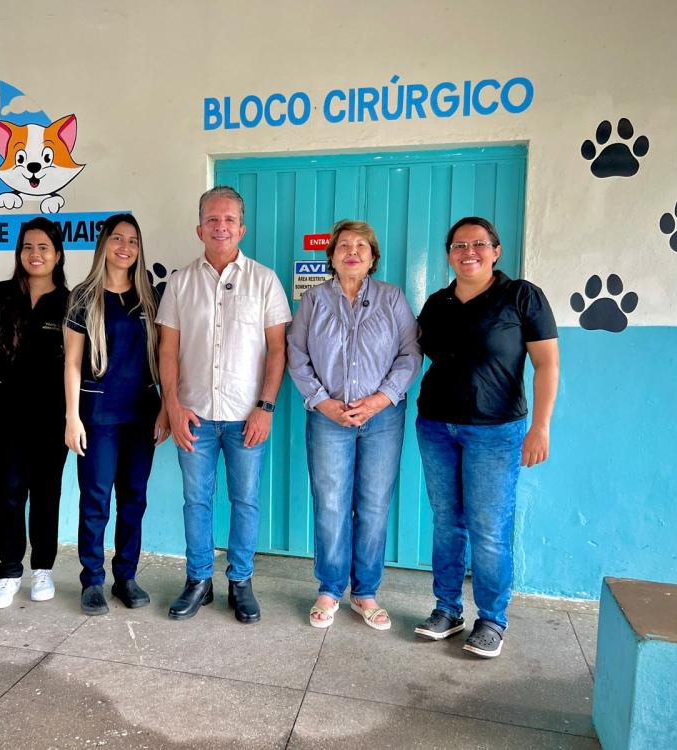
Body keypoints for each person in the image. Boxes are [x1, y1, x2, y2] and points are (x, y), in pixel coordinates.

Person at [413, 216, 559, 658]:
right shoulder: (437, 304)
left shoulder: (521, 296)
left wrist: (541, 426)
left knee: (488, 528)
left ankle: (493, 620)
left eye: (478, 243)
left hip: (495, 432)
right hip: (436, 426)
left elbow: (547, 364)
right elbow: (410, 353)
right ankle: (447, 610)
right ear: (449, 255)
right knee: (446, 522)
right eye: (459, 245)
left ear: (496, 251)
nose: (468, 252)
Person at [157, 186, 292, 624]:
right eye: (212, 220)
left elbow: (278, 350)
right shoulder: (180, 283)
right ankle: (199, 580)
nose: (221, 227)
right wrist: (173, 406)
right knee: (196, 501)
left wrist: (265, 407)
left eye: (229, 219)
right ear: (199, 229)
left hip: (246, 418)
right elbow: (167, 350)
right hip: (194, 415)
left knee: (245, 501)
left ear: (242, 228)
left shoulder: (264, 280)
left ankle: (240, 582)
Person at [287, 220, 421, 631]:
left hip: (382, 419)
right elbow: (296, 355)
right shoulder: (314, 300)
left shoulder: (391, 297)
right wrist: (323, 403)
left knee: (374, 505)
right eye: (344, 245)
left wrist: (380, 400)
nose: (352, 251)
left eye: (361, 245)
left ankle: (365, 593)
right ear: (331, 256)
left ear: (373, 257)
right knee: (331, 504)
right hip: (328, 418)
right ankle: (330, 589)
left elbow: (410, 354)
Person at [64, 213, 169, 616]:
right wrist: (72, 417)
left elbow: (165, 357)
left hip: (141, 412)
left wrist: (164, 407)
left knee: (134, 498)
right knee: (95, 499)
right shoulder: (84, 296)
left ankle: (126, 575)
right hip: (97, 414)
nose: (126, 247)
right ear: (103, 244)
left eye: (133, 241)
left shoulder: (149, 297)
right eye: (118, 239)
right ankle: (92, 579)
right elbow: (72, 362)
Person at [0, 218, 70, 609]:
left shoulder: (71, 301)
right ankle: (9, 571)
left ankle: (42, 568)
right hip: (2, 411)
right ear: (19, 252)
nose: (35, 254)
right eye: (28, 247)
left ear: (57, 255)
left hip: (52, 414)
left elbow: (76, 365)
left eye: (43, 247)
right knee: (7, 492)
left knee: (46, 492)